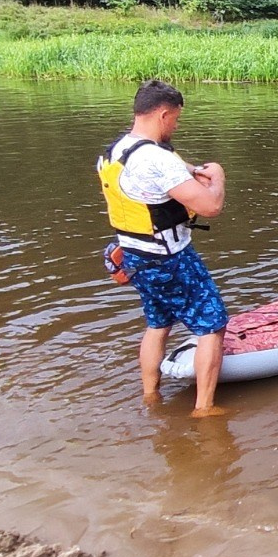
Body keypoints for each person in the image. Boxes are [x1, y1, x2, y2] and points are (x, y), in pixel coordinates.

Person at [97, 79, 227, 417]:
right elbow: (210, 207)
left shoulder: (115, 151)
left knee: (158, 324)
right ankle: (204, 409)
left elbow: (159, 180)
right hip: (170, 257)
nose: (176, 125)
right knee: (212, 324)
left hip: (134, 255)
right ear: (163, 114)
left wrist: (193, 170)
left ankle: (150, 395)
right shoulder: (158, 159)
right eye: (176, 119)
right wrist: (218, 177)